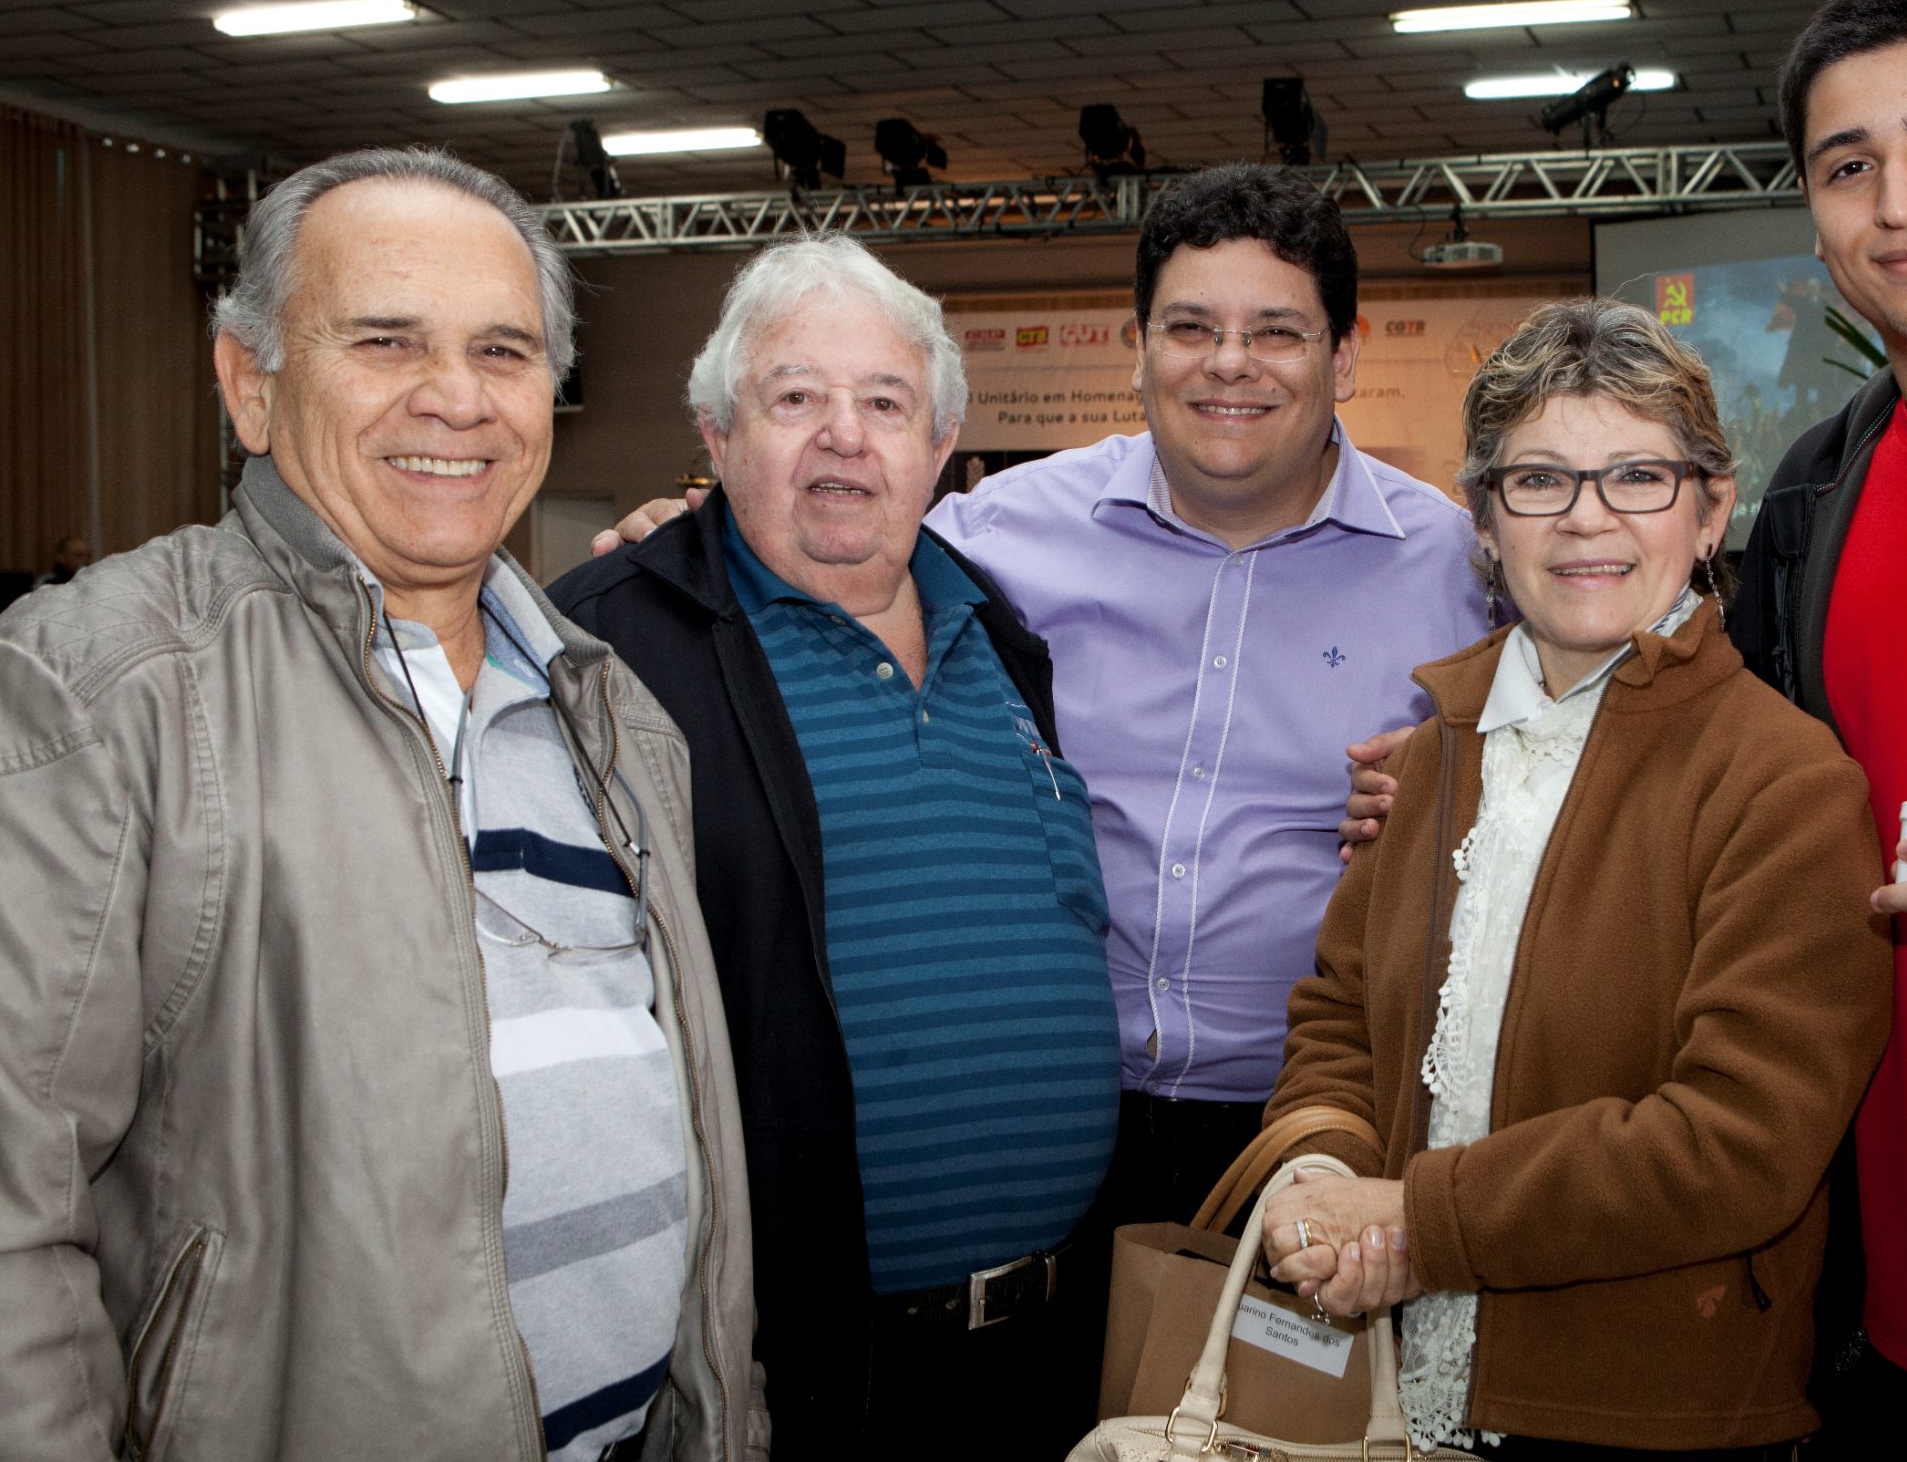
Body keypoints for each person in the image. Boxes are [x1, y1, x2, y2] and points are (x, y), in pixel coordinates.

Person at [0, 148, 765, 1462]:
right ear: (248, 383)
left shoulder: (615, 712)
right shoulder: (85, 697)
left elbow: (687, 1140)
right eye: (385, 340)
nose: (456, 396)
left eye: (502, 351)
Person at [598, 165, 1490, 1226]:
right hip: (1056, 1133)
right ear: (1138, 347)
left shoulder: (1457, 569)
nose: (1229, 363)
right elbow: (814, 547)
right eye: (1190, 327)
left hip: (1319, 1128)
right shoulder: (994, 535)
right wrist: (688, 545)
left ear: (1342, 355)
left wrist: (1464, 792)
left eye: (1277, 332)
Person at [1261, 297, 1890, 1462]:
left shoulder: (1785, 784)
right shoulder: (1432, 754)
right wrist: (1319, 1176)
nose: (1586, 518)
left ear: (1709, 512)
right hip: (1383, 1393)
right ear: (1484, 521)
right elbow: (1336, 1015)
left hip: (1648, 1436)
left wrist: (1418, 1223)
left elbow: (1738, 1142)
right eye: (1539, 478)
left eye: (1637, 477)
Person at [549, 234, 1120, 1462]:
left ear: (945, 443)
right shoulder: (605, 647)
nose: (843, 437)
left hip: (1038, 1367)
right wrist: (713, 1446)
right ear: (717, 431)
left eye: (884, 402)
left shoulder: (1001, 636)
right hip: (798, 1390)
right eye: (795, 396)